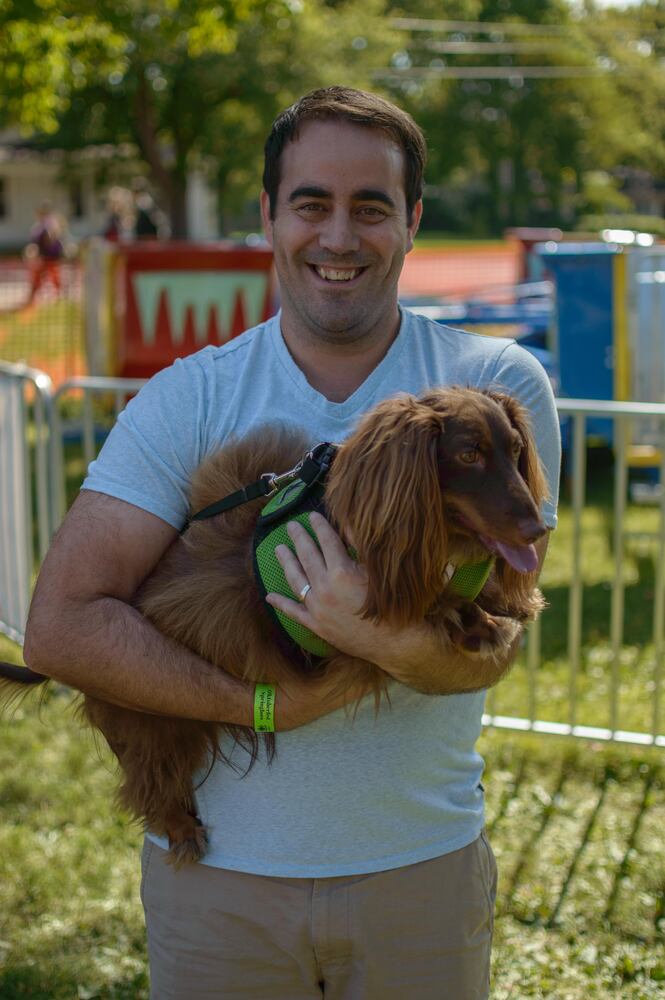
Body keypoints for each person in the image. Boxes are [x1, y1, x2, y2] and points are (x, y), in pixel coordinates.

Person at [23, 87, 561, 999]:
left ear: (412, 221)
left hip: (418, 878)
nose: (339, 237)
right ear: (269, 215)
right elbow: (61, 628)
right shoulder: (188, 397)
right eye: (312, 203)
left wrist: (367, 635)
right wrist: (265, 706)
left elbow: (496, 639)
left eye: (371, 207)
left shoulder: (495, 385)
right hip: (221, 892)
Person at [23, 201, 65, 305]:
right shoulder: (39, 226)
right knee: (39, 278)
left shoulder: (50, 223)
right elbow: (35, 241)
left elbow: (51, 237)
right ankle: (32, 299)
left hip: (51, 256)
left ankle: (59, 299)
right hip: (44, 256)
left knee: (53, 278)